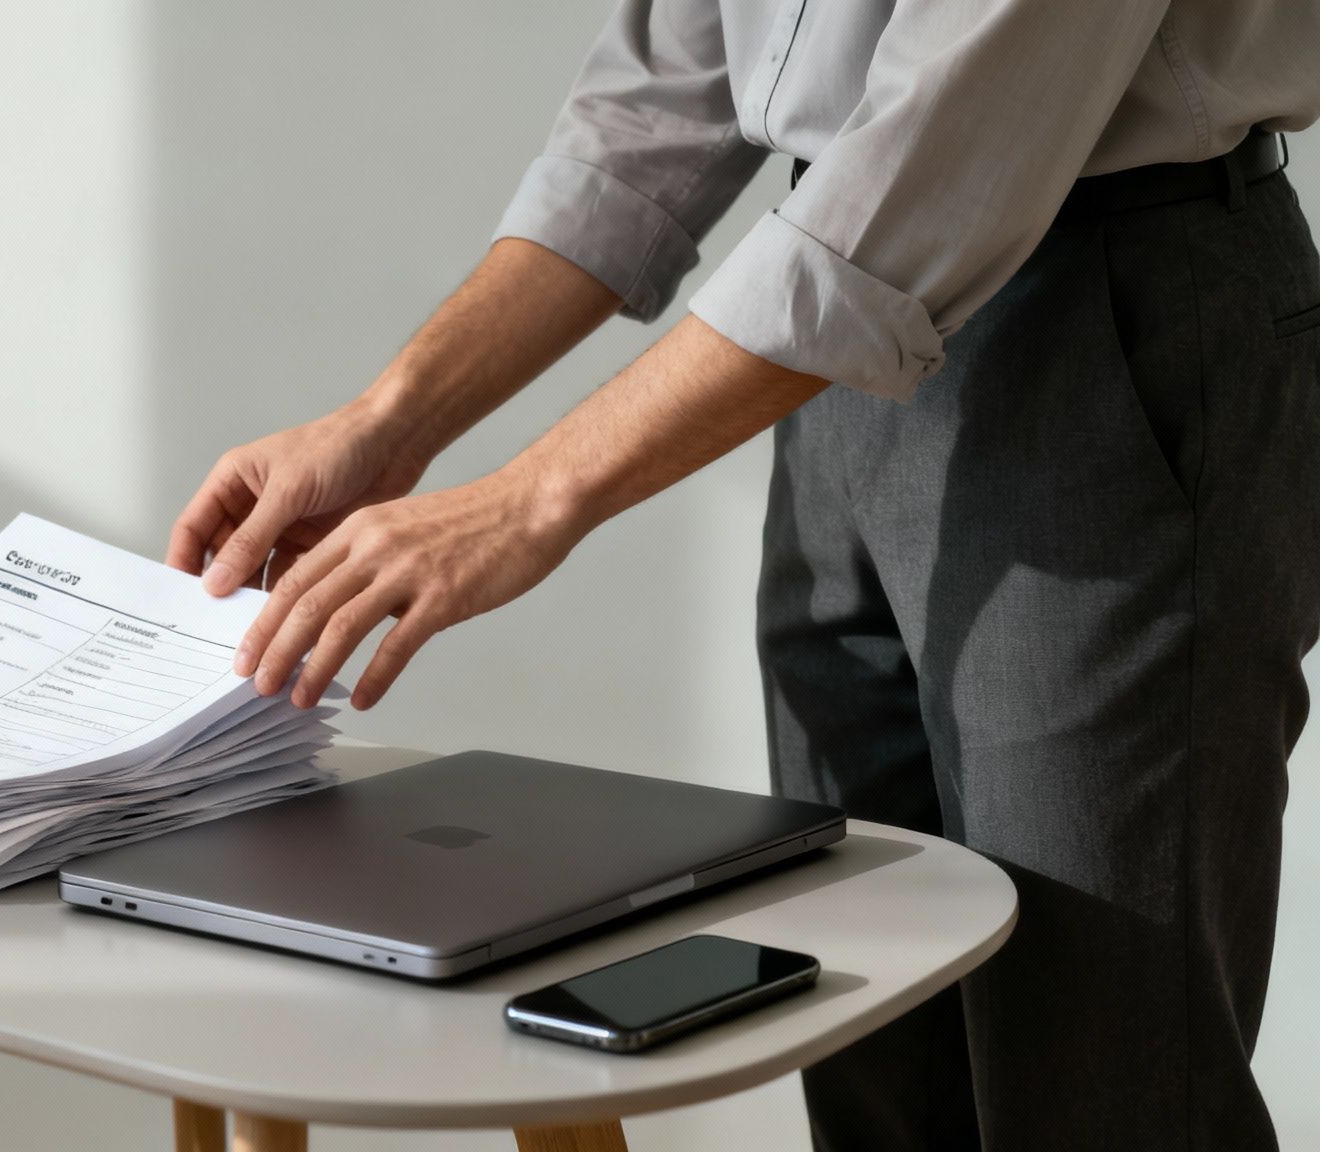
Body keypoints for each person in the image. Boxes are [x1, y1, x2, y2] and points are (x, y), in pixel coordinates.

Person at [165, 1, 1320, 1149]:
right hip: (825, 365)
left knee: (1100, 1075)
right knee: (868, 1034)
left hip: (1099, 317)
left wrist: (523, 502)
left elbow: (932, 165)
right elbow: (659, 104)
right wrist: (389, 421)